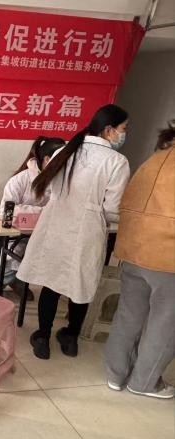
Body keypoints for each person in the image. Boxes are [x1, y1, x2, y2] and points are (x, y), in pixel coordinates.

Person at [17, 104, 131, 360]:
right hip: (88, 229)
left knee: (51, 282)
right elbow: (112, 208)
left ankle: (42, 338)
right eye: (123, 128)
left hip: (55, 225)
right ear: (109, 129)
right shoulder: (116, 162)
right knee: (82, 284)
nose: (124, 134)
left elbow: (48, 190)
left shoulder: (65, 150)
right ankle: (70, 338)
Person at [104, 120, 175, 399]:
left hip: (133, 251)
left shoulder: (154, 160)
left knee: (128, 316)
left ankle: (115, 374)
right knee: (164, 324)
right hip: (168, 258)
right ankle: (144, 383)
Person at [0, 136, 65, 299]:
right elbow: (7, 212)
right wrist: (44, 212)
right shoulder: (20, 180)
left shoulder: (62, 182)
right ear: (47, 159)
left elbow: (63, 210)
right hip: (17, 235)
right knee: (12, 259)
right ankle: (7, 281)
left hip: (46, 234)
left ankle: (17, 280)